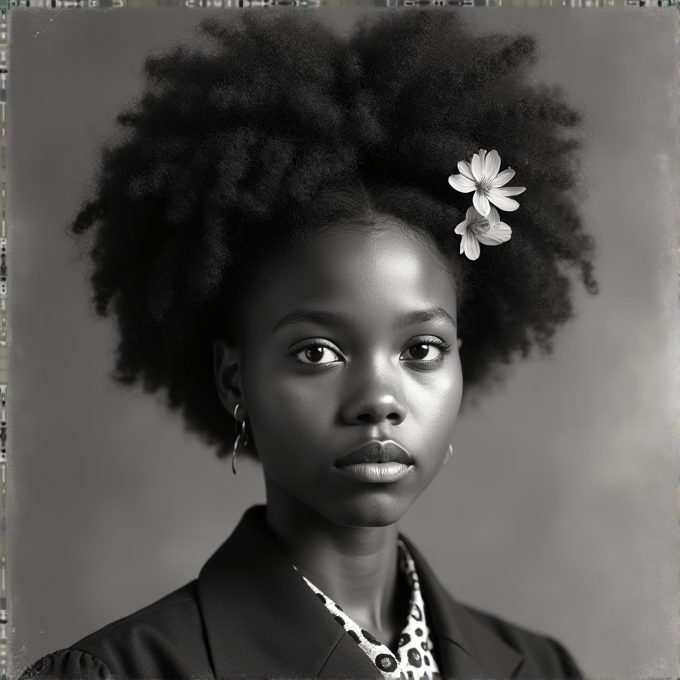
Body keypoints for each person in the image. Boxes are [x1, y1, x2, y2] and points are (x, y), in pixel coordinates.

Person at [20, 8, 596, 679]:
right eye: (317, 352)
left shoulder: (539, 667)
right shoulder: (122, 672)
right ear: (236, 380)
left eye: (421, 351)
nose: (379, 399)